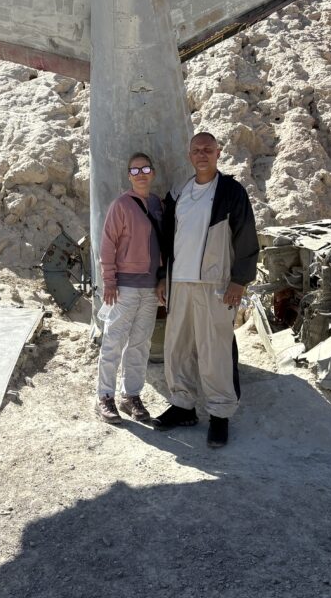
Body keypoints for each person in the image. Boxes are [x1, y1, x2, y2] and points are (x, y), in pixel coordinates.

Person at [154, 132, 259, 448]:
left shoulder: (231, 191)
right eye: (197, 149)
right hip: (179, 284)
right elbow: (165, 241)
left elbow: (246, 237)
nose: (202, 154)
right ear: (190, 155)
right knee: (178, 348)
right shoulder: (178, 193)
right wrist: (163, 276)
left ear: (218, 153)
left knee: (215, 352)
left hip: (215, 285)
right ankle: (183, 406)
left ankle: (219, 416)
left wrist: (239, 281)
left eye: (208, 149)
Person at [96, 152, 163, 425]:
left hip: (150, 288)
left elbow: (166, 245)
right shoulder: (121, 205)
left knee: (140, 345)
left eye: (145, 169)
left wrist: (163, 278)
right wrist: (109, 281)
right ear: (128, 176)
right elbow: (107, 244)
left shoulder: (159, 204)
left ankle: (130, 395)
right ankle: (105, 397)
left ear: (153, 172)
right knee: (113, 342)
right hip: (123, 287)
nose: (141, 174)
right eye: (135, 171)